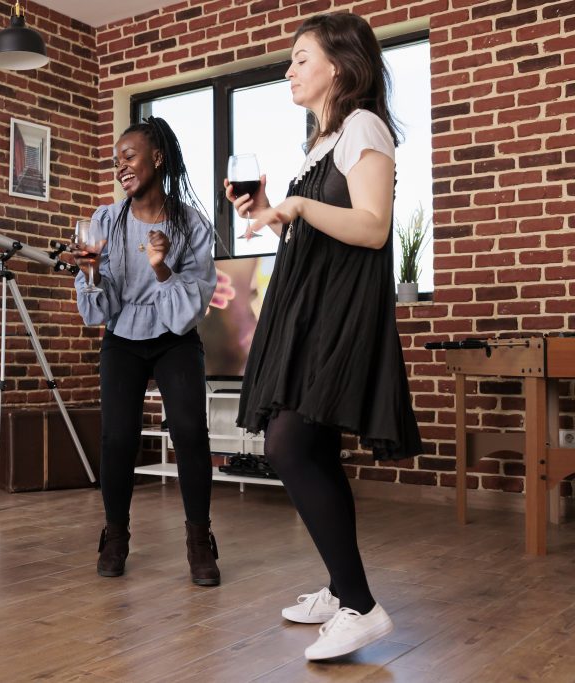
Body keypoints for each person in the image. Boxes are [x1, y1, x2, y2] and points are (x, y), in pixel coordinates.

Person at [227, 12, 423, 661]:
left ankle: (362, 606)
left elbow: (369, 227)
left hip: (336, 313)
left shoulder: (365, 126)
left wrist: (302, 206)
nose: (289, 70)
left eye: (300, 58)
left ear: (337, 66)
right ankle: (343, 590)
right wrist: (269, 215)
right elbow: (318, 233)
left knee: (287, 444)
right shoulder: (325, 141)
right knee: (312, 447)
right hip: (311, 306)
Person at [73, 116, 219, 586]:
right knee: (117, 438)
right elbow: (101, 308)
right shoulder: (105, 221)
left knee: (191, 432)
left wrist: (160, 268)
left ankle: (200, 540)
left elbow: (190, 308)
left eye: (129, 156)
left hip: (175, 337)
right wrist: (92, 273)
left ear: (157, 159)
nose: (121, 166)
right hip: (124, 336)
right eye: (117, 160)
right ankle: (115, 536)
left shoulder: (191, 224)